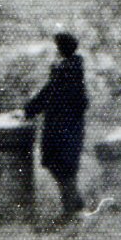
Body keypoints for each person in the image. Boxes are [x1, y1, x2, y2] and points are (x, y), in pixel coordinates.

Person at [25, 30, 88, 215]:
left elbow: (48, 96)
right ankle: (74, 206)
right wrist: (28, 110)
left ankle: (72, 210)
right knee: (62, 167)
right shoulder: (68, 71)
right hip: (63, 129)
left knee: (63, 168)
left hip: (63, 130)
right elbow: (48, 95)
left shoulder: (67, 73)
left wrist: (28, 111)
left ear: (61, 50)